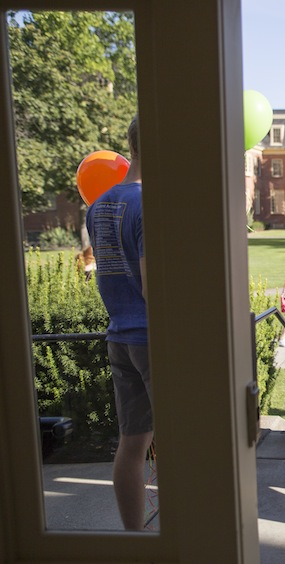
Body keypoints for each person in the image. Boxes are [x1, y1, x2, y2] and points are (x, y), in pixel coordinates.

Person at [85, 115, 151, 531]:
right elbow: (153, 290)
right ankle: (185, 542)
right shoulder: (150, 204)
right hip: (153, 338)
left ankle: (137, 539)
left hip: (119, 336)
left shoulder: (99, 205)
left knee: (132, 444)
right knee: (180, 443)